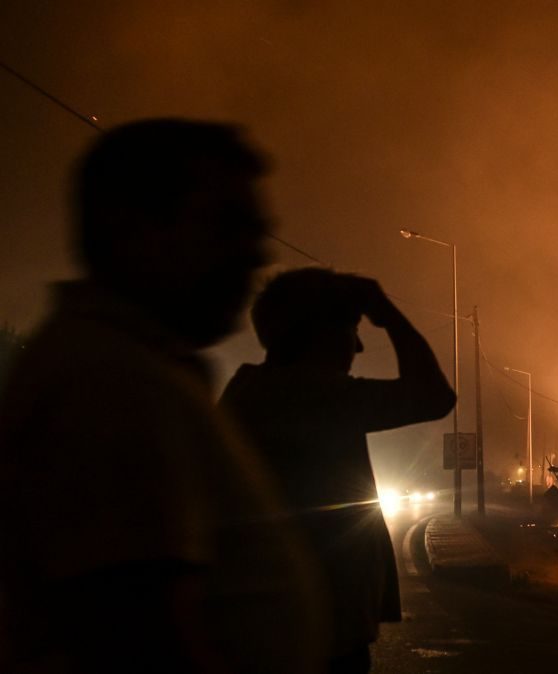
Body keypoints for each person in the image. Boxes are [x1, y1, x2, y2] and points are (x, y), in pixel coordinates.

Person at [0, 119, 331, 674]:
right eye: (229, 227)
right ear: (134, 229)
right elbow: (137, 636)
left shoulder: (137, 366)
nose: (256, 256)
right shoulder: (108, 381)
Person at [219, 267, 456, 673]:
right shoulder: (310, 397)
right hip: (310, 635)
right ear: (320, 334)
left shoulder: (253, 393)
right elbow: (434, 396)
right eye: (351, 328)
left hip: (284, 628)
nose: (359, 346)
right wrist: (386, 313)